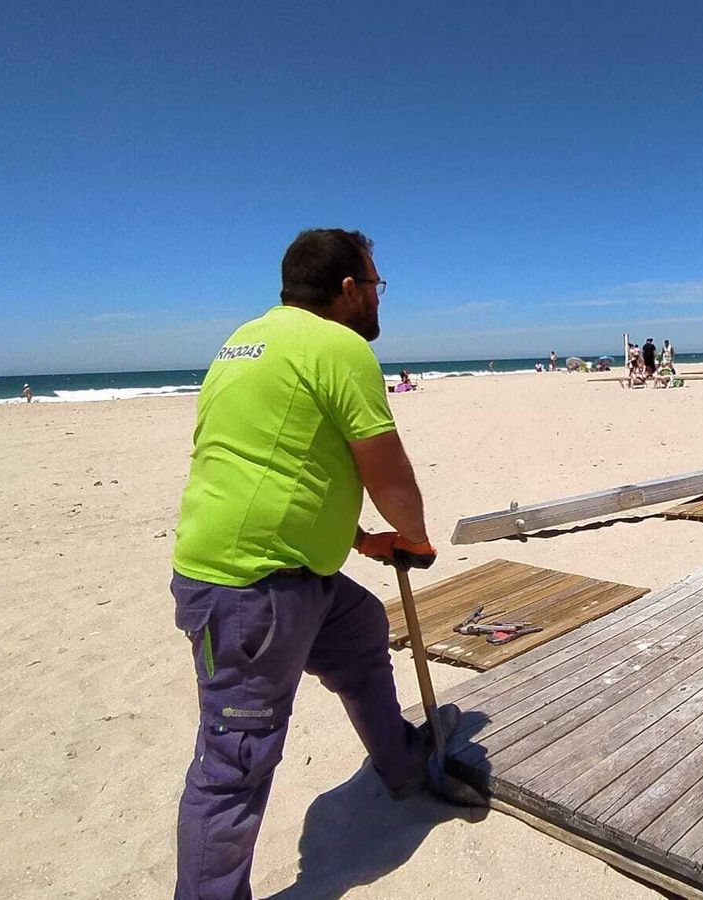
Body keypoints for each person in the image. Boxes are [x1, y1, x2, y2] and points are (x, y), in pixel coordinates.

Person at [169, 228, 469, 900]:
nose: (377, 298)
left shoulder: (243, 342)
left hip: (281, 575)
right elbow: (386, 469)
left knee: (361, 632)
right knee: (234, 765)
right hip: (250, 590)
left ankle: (401, 764)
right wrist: (414, 537)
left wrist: (363, 541)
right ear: (347, 290)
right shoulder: (338, 346)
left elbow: (272, 466)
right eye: (375, 284)